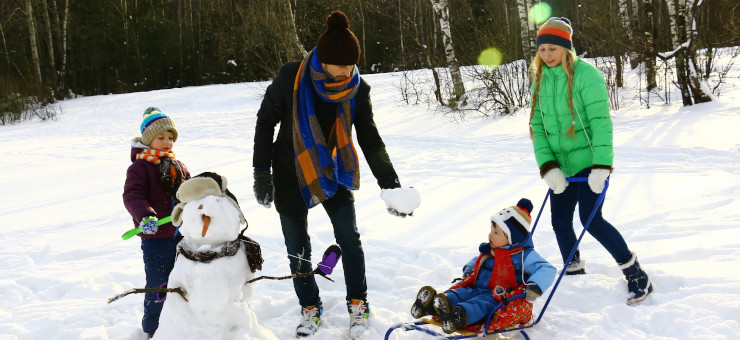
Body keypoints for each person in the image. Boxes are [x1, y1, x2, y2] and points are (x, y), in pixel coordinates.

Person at [251, 10, 418, 338]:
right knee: (297, 247)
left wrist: (391, 185)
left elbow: (369, 137)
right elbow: (264, 122)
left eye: (351, 65)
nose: (347, 71)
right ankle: (309, 307)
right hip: (289, 172)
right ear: (323, 61)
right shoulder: (291, 78)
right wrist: (261, 172)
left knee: (349, 240)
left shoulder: (358, 89)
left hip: (334, 171)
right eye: (340, 65)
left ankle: (359, 303)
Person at [528, 17, 653, 304]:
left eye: (552, 49)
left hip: (589, 162)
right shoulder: (539, 78)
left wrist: (601, 166)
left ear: (566, 49)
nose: (546, 55)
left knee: (590, 219)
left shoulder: (587, 76)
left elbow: (600, 124)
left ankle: (635, 273)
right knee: (559, 221)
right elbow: (537, 125)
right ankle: (573, 269)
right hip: (561, 165)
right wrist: (548, 167)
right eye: (542, 49)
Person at [410, 198, 556, 334]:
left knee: (480, 305)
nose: (490, 235)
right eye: (492, 230)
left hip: (498, 297)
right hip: (477, 288)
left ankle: (459, 316)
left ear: (513, 238)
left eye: (496, 232)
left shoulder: (525, 255)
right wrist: (469, 269)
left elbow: (547, 269)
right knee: (461, 294)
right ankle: (434, 304)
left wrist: (535, 285)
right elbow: (478, 259)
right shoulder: (493, 249)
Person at [123, 107, 191, 338]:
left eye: (171, 138)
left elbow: (189, 192)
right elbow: (133, 195)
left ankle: (184, 324)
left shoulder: (178, 166)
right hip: (156, 240)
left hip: (183, 236)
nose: (167, 142)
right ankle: (153, 329)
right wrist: (146, 216)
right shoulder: (139, 168)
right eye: (161, 137)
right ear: (148, 139)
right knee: (159, 285)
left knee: (185, 281)